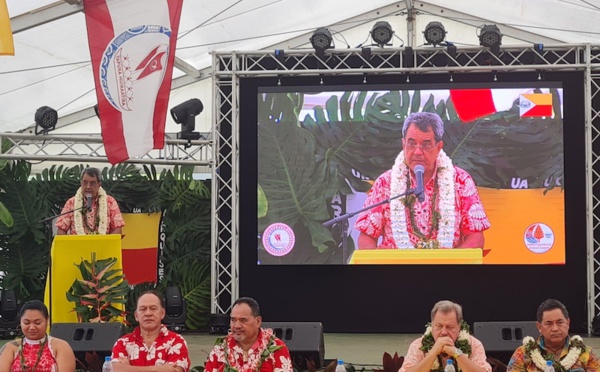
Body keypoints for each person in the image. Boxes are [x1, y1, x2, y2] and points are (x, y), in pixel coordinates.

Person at [354, 112, 490, 249]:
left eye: (426, 144)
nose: (418, 152)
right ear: (403, 144)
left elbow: (476, 238)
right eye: (412, 143)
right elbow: (367, 236)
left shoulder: (461, 180)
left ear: (438, 147)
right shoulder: (386, 182)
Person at [507, 299, 600, 371]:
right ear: (539, 326)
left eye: (560, 322)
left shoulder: (586, 354)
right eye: (549, 323)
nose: (555, 328)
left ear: (568, 323)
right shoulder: (523, 354)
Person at [204, 297, 293, 372]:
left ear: (258, 321)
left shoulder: (276, 348)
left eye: (243, 320)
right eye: (233, 320)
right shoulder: (220, 349)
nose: (237, 326)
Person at [400, 300, 492, 372]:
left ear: (459, 326)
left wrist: (457, 353)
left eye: (450, 327)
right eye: (439, 326)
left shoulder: (474, 344)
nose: (444, 332)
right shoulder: (419, 345)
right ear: (432, 325)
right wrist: (433, 353)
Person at [110, 290, 190, 371]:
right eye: (143, 309)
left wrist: (130, 368)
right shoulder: (122, 343)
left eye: (153, 308)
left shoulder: (176, 341)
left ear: (162, 313)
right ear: (136, 316)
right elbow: (118, 370)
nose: (148, 313)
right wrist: (158, 369)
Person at [0, 300, 76, 371]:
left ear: (47, 321)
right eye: (27, 323)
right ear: (20, 322)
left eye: (37, 323)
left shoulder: (61, 347)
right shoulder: (10, 348)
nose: (32, 327)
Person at [55, 167, 125, 235]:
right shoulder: (71, 203)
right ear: (81, 183)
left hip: (102, 245)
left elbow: (117, 229)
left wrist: (106, 244)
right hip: (77, 245)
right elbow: (61, 229)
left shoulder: (110, 202)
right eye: (85, 183)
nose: (88, 186)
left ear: (99, 185)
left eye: (92, 183)